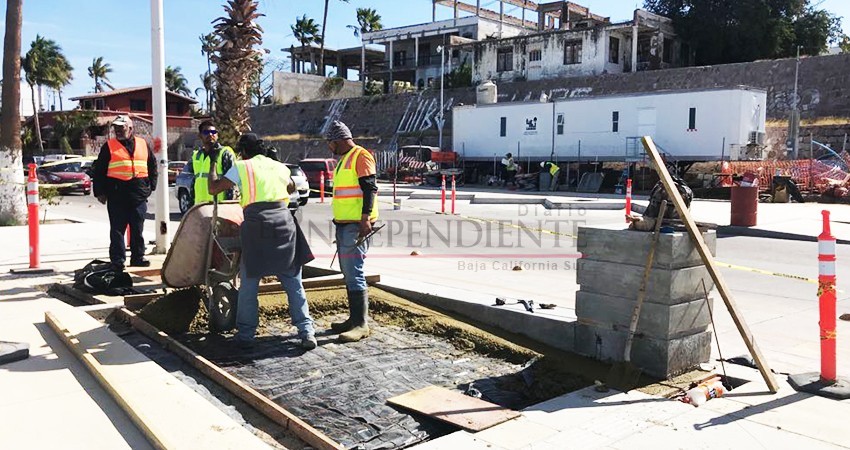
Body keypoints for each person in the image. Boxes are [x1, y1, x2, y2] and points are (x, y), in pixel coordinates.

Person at [207, 133, 316, 350]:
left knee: (249, 282)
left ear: (244, 151)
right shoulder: (280, 167)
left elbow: (213, 188)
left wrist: (212, 163)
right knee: (293, 283)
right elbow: (292, 188)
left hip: (257, 227)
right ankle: (307, 332)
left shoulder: (242, 166)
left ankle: (246, 335)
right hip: (284, 225)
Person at [326, 120, 378, 343]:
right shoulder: (344, 160)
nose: (330, 148)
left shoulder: (361, 155)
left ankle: (360, 324)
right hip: (344, 224)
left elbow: (370, 188)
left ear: (338, 141)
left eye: (330, 144)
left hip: (356, 225)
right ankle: (353, 319)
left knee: (354, 271)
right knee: (348, 272)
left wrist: (365, 219)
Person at [93, 115, 157, 268]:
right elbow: (99, 171)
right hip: (117, 195)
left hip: (138, 195)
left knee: (137, 229)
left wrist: (151, 186)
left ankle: (138, 257)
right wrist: (100, 192)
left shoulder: (143, 144)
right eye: (116, 128)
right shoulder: (109, 146)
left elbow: (152, 166)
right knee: (117, 231)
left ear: (130, 128)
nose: (118, 131)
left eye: (121, 128)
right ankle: (117, 260)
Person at [183, 120, 236, 205]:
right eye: (206, 132)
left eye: (213, 132)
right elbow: (195, 181)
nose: (210, 134)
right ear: (200, 135)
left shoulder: (224, 153)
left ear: (217, 135)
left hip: (218, 206)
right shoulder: (197, 155)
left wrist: (228, 206)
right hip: (200, 206)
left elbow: (231, 184)